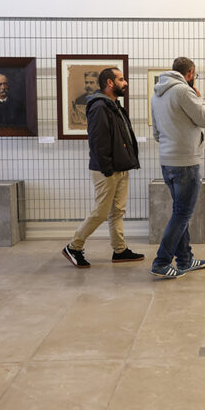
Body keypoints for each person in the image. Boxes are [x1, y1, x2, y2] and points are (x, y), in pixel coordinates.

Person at [62, 67, 144, 268]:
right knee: (101, 212)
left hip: (120, 167)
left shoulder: (113, 106)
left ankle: (120, 250)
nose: (125, 83)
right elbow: (98, 142)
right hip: (107, 170)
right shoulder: (99, 107)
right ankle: (74, 247)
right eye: (121, 79)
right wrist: (108, 169)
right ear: (109, 83)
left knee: (117, 211)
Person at [150, 57, 205, 279]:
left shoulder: (157, 94)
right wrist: (199, 98)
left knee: (179, 211)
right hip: (186, 162)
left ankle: (185, 260)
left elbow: (157, 134)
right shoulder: (184, 91)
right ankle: (161, 262)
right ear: (190, 73)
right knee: (182, 214)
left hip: (167, 161)